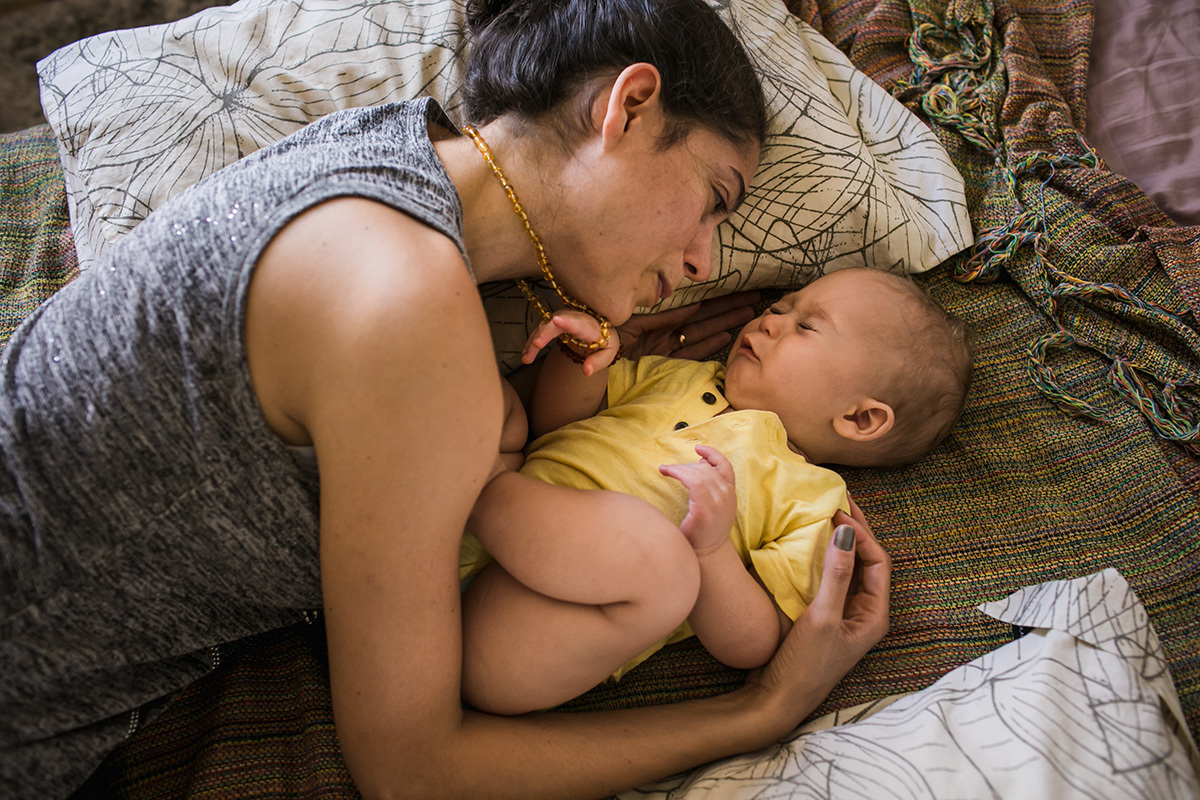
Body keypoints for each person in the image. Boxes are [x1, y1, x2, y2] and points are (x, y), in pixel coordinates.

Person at [0, 0, 893, 797]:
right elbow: (411, 770)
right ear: (628, 106)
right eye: (713, 201)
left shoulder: (385, 148)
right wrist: (765, 711)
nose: (703, 258)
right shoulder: (409, 309)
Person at [459, 267, 972, 715]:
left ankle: (481, 490)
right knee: (488, 396)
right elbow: (556, 426)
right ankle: (477, 490)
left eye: (806, 325)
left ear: (860, 417)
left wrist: (710, 550)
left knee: (653, 555)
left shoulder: (814, 502)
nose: (769, 319)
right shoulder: (678, 377)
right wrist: (583, 358)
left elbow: (754, 643)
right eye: (780, 305)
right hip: (479, 538)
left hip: (514, 632)